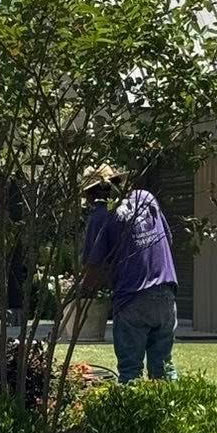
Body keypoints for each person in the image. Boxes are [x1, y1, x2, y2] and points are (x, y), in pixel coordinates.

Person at [79, 163, 180, 383]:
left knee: (130, 372)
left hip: (132, 297)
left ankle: (131, 415)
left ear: (90, 194)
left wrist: (81, 293)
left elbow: (93, 269)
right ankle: (171, 413)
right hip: (166, 291)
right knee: (163, 368)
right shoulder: (146, 199)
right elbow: (168, 239)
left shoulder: (101, 215)